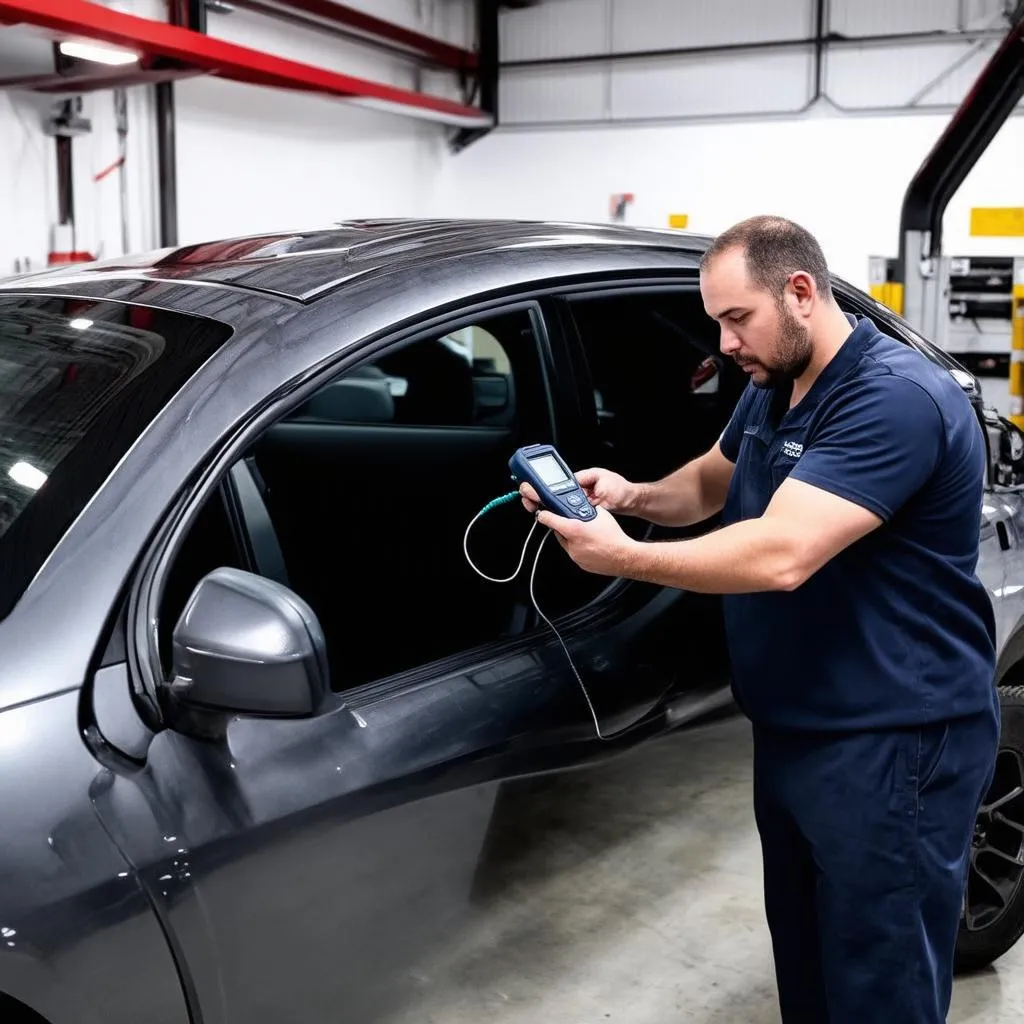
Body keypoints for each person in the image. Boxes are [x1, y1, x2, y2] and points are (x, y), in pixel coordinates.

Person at [520, 215, 1000, 1023]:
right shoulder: (774, 385)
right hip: (796, 730)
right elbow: (712, 482)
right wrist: (629, 498)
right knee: (811, 970)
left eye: (737, 318)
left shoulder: (894, 400)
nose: (724, 342)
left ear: (801, 292)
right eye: (716, 321)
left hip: (892, 742)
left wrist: (623, 557)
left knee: (881, 986)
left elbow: (782, 555)